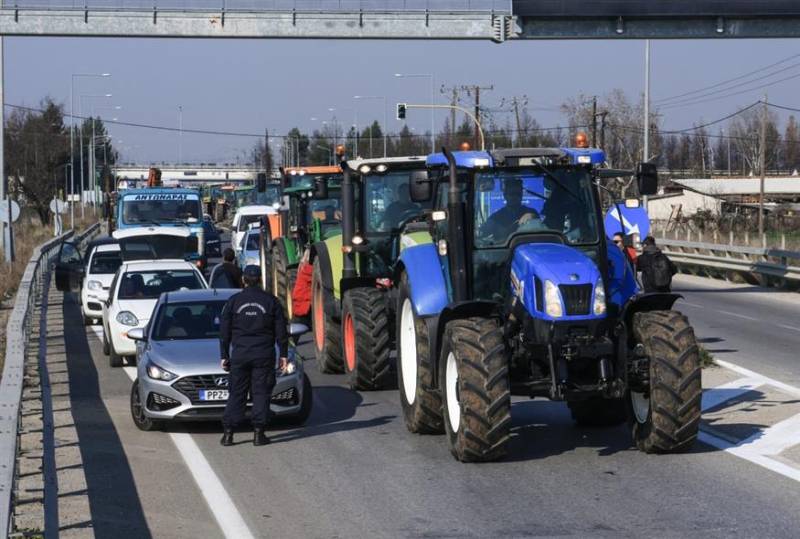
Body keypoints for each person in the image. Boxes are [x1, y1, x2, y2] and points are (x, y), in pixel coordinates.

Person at [219, 265, 288, 447]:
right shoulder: (271, 302)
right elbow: (281, 331)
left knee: (236, 393)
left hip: (240, 354)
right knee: (261, 393)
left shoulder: (233, 302)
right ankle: (259, 433)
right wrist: (284, 354)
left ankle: (228, 434)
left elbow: (224, 332)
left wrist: (224, 355)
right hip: (263, 355)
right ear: (260, 280)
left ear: (243, 280)